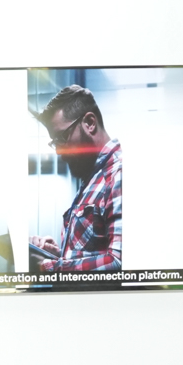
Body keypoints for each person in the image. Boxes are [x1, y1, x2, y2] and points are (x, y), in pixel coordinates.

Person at [31, 84, 122, 273]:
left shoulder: (118, 173)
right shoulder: (92, 178)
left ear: (89, 123)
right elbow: (95, 253)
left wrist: (50, 267)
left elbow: (119, 262)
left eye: (62, 138)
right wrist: (58, 255)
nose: (58, 151)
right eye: (54, 143)